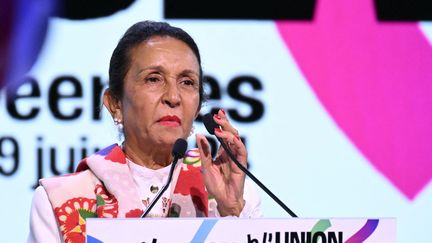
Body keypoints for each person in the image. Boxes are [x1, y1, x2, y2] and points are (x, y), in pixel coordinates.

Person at [27, 21, 262, 243]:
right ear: (115, 103)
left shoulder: (237, 195)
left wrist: (231, 212)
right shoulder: (60, 200)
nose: (173, 97)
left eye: (188, 82)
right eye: (153, 79)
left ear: (199, 105)